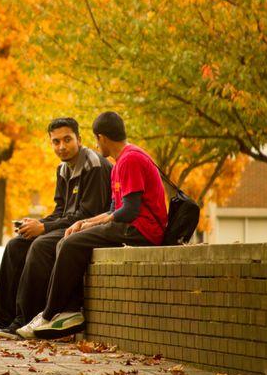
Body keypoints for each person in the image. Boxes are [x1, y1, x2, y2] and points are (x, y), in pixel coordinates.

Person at [17, 111, 168, 339]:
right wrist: (85, 222)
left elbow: (129, 210)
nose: (98, 145)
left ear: (101, 137)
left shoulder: (130, 159)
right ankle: (65, 311)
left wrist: (94, 224)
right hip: (130, 225)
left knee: (70, 244)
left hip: (142, 230)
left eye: (97, 140)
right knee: (70, 239)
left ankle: (51, 313)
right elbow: (114, 210)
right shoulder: (120, 162)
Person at [0, 117, 113, 339]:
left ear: (80, 139)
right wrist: (36, 224)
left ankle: (25, 319)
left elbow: (88, 215)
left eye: (67, 140)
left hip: (88, 230)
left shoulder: (93, 164)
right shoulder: (62, 169)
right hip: (68, 226)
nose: (61, 146)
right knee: (15, 245)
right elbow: (61, 211)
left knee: (41, 245)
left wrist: (44, 228)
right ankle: (3, 317)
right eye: (55, 142)